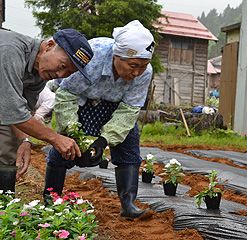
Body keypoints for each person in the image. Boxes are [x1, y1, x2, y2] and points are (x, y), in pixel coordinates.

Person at [44, 20, 155, 220]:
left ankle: (128, 205)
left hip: (116, 104)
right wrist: (73, 133)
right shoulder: (92, 56)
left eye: (143, 66)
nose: (137, 72)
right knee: (63, 149)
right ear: (116, 55)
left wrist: (103, 140)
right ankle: (51, 201)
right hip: (80, 100)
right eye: (133, 65)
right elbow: (66, 96)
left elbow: (129, 110)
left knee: (129, 148)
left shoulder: (145, 73)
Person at [0, 28, 93, 193]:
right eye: (62, 65)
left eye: (69, 72)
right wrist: (55, 138)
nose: (60, 74)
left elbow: (21, 111)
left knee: (9, 149)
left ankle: (5, 206)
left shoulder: (38, 74)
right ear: (50, 45)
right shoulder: (10, 50)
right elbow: (12, 110)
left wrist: (25, 141)